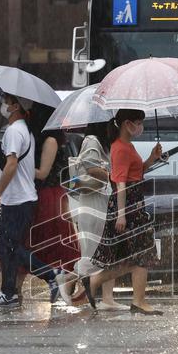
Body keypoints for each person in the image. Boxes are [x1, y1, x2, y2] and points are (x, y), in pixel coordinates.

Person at [83, 109, 164, 315]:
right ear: (127, 123)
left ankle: (135, 299)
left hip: (134, 202)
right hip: (127, 204)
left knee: (138, 255)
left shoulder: (128, 146)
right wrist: (121, 214)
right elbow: (119, 183)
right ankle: (132, 298)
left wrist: (152, 159)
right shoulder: (119, 148)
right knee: (140, 253)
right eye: (138, 122)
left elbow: (136, 173)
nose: (140, 127)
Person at [0, 93, 38, 307]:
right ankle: (9, 291)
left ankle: (51, 274)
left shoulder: (14, 130)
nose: (2, 105)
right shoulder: (24, 129)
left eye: (5, 101)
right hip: (23, 198)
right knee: (9, 248)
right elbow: (14, 163)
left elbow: (13, 165)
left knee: (9, 248)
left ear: (15, 106)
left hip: (16, 200)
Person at [23, 109, 84, 305]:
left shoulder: (50, 140)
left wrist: (17, 167)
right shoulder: (48, 140)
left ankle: (64, 282)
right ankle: (59, 282)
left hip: (51, 198)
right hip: (50, 197)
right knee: (44, 245)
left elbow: (42, 173)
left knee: (49, 244)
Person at [72, 123, 124, 310]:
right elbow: (90, 168)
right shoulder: (91, 141)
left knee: (108, 251)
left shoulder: (103, 143)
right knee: (94, 250)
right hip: (93, 204)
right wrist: (111, 174)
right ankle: (71, 282)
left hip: (102, 201)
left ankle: (107, 298)